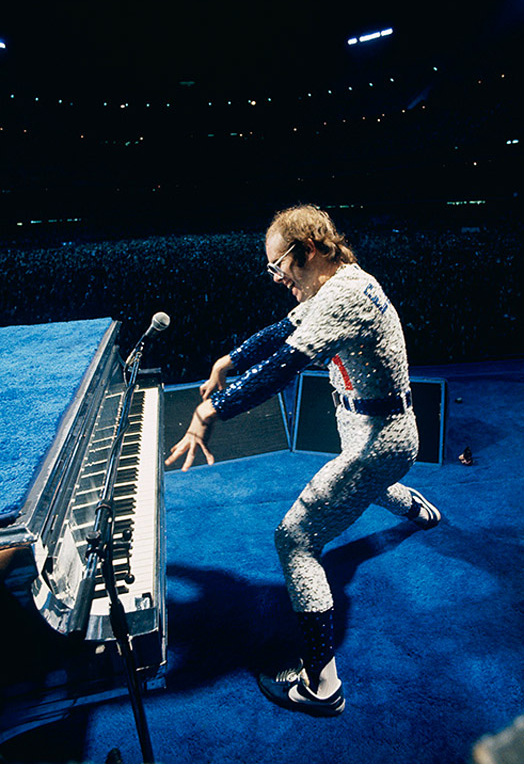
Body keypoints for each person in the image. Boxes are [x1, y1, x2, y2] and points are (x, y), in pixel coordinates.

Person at [165, 204, 441, 717]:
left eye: (277, 266)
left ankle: (322, 686)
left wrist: (209, 410)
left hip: (379, 442)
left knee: (295, 540)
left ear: (307, 250)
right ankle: (418, 510)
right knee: (368, 488)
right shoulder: (337, 284)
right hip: (372, 434)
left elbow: (282, 367)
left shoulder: (341, 298)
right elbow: (281, 331)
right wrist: (229, 361)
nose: (275, 278)